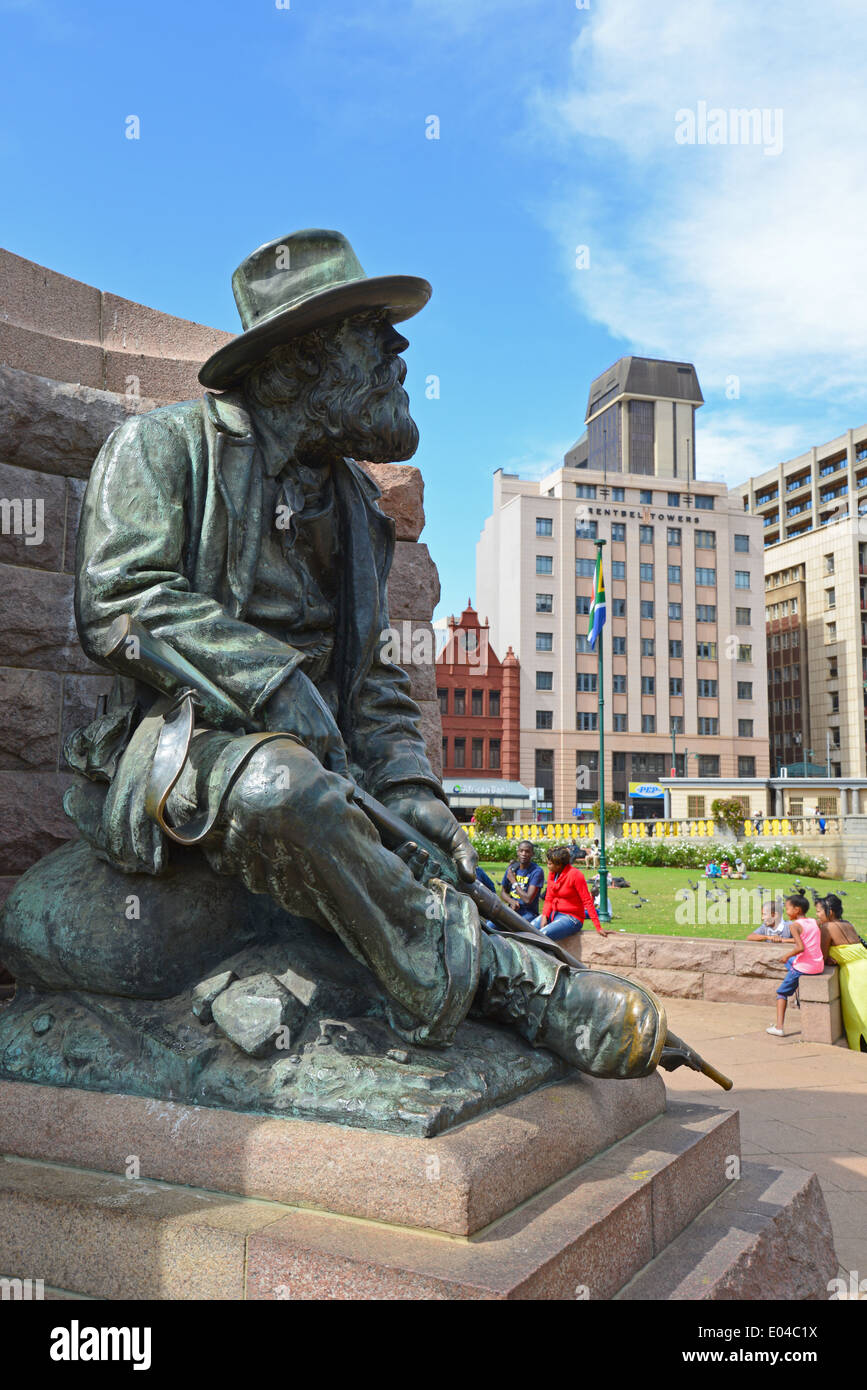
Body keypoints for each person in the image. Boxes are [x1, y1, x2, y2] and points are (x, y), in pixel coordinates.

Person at [815, 895, 867, 1052]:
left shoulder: (827, 928)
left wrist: (830, 959)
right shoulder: (847, 924)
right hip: (863, 966)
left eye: (818, 911)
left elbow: (821, 957)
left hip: (854, 976)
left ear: (829, 912)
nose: (817, 915)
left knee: (858, 1015)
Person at [767, 894, 824, 1036]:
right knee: (792, 963)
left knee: (781, 993)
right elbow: (807, 940)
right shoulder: (814, 922)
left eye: (788, 908)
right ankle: (796, 983)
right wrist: (785, 942)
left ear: (797, 910)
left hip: (804, 967)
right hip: (818, 965)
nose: (786, 912)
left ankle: (779, 1027)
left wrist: (786, 956)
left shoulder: (794, 926)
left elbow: (800, 948)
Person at [532, 846, 610, 940]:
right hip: (554, 913)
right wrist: (545, 915)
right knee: (528, 930)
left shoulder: (575, 875)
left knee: (542, 935)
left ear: (559, 865)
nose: (547, 866)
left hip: (572, 918)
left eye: (549, 864)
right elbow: (549, 898)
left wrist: (598, 927)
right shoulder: (552, 874)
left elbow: (587, 901)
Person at [499, 840, 545, 922]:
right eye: (521, 851)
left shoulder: (536, 871)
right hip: (512, 910)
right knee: (489, 925)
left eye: (527, 851)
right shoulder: (512, 869)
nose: (524, 854)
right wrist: (511, 901)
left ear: (532, 854)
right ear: (518, 852)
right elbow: (503, 892)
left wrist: (514, 882)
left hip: (528, 912)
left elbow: (527, 900)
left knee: (513, 927)